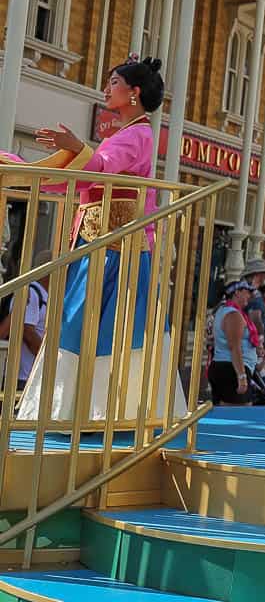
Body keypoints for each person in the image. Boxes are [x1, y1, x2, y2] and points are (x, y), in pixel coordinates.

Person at [9, 56, 185, 422]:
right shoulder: (125, 134)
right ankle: (80, 411)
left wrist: (75, 147)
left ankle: (97, 412)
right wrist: (28, 171)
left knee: (92, 327)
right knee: (83, 326)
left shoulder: (137, 134)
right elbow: (88, 177)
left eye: (114, 81)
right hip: (104, 249)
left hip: (117, 252)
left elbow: (100, 169)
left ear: (134, 93)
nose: (106, 88)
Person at [209, 281, 255, 406]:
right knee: (238, 415)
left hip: (226, 366)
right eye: (246, 292)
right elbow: (235, 347)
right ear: (236, 292)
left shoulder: (224, 311)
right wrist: (242, 377)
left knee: (227, 414)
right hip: (231, 369)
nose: (249, 296)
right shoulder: (233, 315)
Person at [0, 271, 47, 392]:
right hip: (22, 376)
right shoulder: (32, 291)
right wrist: (48, 358)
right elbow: (27, 332)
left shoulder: (42, 294)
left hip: (32, 375)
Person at [241, 258, 265, 339]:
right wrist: (260, 338)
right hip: (251, 341)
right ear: (258, 274)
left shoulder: (249, 290)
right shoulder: (252, 292)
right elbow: (255, 318)